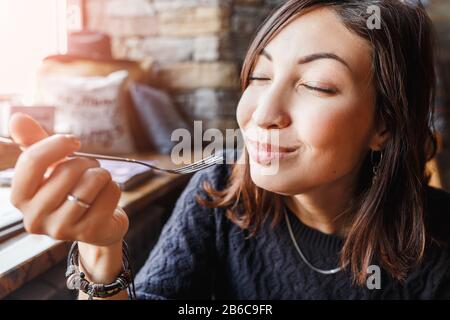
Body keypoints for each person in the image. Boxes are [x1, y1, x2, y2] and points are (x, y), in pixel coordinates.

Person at [9, 0, 450, 299]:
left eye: (316, 86)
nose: (262, 114)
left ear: (385, 125)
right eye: (259, 77)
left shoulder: (437, 248)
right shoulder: (217, 192)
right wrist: (100, 248)